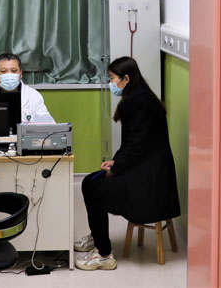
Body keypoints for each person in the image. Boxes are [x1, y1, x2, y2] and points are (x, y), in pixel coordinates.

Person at [74, 56, 180, 271]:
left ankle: (104, 254)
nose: (111, 83)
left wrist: (116, 168)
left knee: (93, 188)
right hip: (146, 169)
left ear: (126, 79)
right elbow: (134, 143)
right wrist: (116, 161)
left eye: (112, 78)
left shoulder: (140, 103)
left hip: (150, 182)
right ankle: (97, 237)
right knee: (90, 182)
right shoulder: (140, 96)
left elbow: (137, 147)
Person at [0, 52, 55, 124]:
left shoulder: (33, 96)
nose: (9, 75)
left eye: (14, 71)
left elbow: (48, 126)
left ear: (21, 74)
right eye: (3, 71)